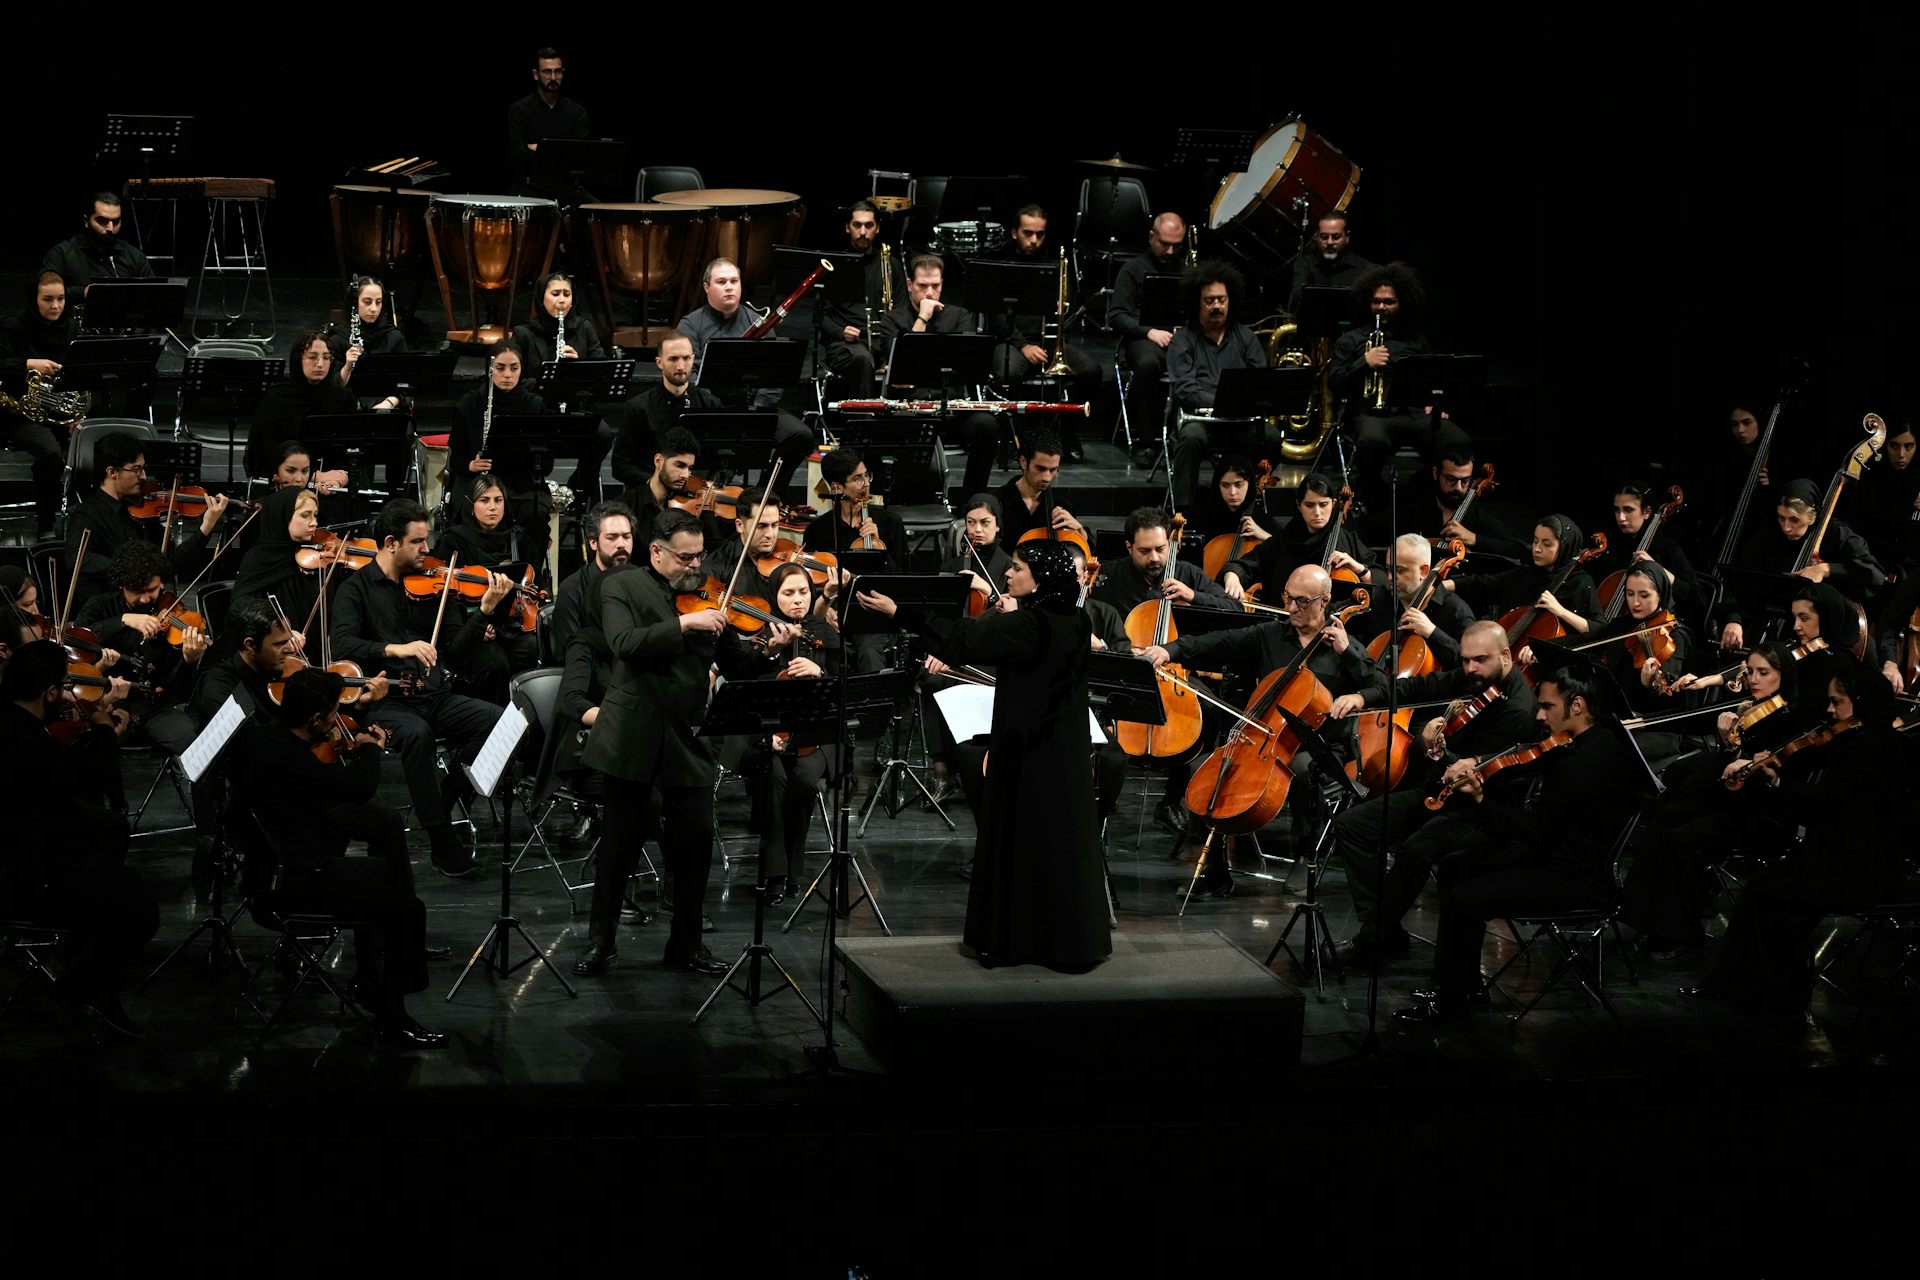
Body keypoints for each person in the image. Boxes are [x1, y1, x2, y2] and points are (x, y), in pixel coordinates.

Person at [858, 541, 1111, 970]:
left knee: (1022, 841)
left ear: (1041, 577)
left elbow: (963, 638)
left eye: (1017, 568)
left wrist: (898, 612)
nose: (1008, 575)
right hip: (1064, 752)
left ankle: (1017, 941)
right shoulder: (1075, 616)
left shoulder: (1030, 625)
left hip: (1028, 751)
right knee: (1060, 845)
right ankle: (1066, 942)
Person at [1397, 663, 1653, 1025]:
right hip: (1555, 854)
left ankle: (1453, 1002)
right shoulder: (1582, 742)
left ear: (1577, 706)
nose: (1538, 715)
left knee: (1469, 897)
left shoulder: (1586, 763)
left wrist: (1482, 800)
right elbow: (1528, 766)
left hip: (1576, 875)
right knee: (1455, 865)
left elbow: (1534, 830)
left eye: (1547, 707)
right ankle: (1459, 983)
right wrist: (1482, 764)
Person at [227, 667, 444, 1047]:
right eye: (331, 714)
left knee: (379, 875)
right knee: (409, 909)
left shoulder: (260, 739)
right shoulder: (298, 764)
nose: (333, 722)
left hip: (263, 873)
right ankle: (392, 1014)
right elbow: (358, 788)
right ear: (315, 719)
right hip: (297, 883)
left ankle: (368, 978)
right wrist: (370, 749)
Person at [1141, 563, 1387, 895]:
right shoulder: (1271, 634)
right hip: (1264, 738)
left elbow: (1381, 687)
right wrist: (1170, 651)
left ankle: (1305, 854)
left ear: (1324, 601)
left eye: (1301, 601)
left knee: (1301, 768)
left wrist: (1351, 668)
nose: (1291, 607)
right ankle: (1215, 869)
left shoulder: (1344, 646)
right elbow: (1219, 643)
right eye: (1288, 598)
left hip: (1324, 746)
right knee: (1210, 768)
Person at [1685, 659, 1909, 1018]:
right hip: (1837, 857)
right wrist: (1773, 773)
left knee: (1775, 901)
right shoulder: (1856, 740)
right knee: (1763, 891)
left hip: (1864, 869)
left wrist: (1777, 781)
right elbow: (1815, 803)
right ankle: (1748, 988)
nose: (1829, 709)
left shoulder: (1871, 747)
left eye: (1837, 701)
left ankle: (1775, 997)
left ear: (1861, 700)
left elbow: (1827, 801)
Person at [1326, 618, 1540, 965]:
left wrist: (1435, 746)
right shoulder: (1475, 680)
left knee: (1415, 850)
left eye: (1479, 660)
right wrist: (1363, 696)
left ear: (1505, 656)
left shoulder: (1517, 710)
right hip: (1440, 794)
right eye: (1466, 659)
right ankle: (1386, 930)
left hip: (1481, 811)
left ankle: (1373, 939)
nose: (1470, 668)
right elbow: (1416, 688)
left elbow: (1480, 777)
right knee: (1352, 826)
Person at [579, 511, 734, 976]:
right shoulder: (621, 587)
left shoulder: (705, 595)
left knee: (696, 843)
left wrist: (767, 648)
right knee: (619, 847)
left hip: (686, 737)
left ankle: (685, 945)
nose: (694, 565)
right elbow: (624, 642)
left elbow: (734, 656)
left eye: (699, 555)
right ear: (657, 552)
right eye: (685, 557)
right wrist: (686, 626)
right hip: (634, 735)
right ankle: (600, 943)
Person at [328, 499, 516, 877]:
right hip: (384, 699)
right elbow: (342, 644)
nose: (427, 550)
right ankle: (441, 839)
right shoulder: (355, 589)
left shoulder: (434, 584)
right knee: (417, 735)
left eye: (426, 540)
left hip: (433, 694)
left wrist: (484, 612)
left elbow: (457, 652)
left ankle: (444, 798)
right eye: (417, 542)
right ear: (391, 543)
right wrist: (394, 648)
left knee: (504, 724)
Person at [0, 640, 155, 1041]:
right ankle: (87, 985)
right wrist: (104, 732)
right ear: (49, 692)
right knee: (135, 899)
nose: (70, 694)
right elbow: (69, 788)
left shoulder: (11, 722)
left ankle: (90, 947)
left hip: (26, 846)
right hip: (25, 871)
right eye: (64, 687)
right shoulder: (29, 743)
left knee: (107, 831)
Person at [1621, 640, 1804, 962]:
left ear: (1783, 676)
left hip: (1760, 813)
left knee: (1681, 835)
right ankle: (1648, 919)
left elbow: (1751, 782)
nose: (1755, 680)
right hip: (1730, 800)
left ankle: (1682, 932)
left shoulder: (1789, 720)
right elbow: (1702, 735)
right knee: (1664, 820)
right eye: (1750, 672)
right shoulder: (1749, 707)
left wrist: (1730, 748)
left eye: (1765, 673)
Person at [720, 561, 841, 903]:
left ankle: (794, 870)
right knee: (773, 777)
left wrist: (820, 672)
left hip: (816, 738)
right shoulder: (760, 636)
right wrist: (765, 734)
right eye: (788, 593)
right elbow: (744, 693)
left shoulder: (825, 633)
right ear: (774, 597)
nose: (798, 600)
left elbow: (847, 691)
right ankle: (775, 873)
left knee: (803, 780)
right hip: (763, 736)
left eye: (803, 592)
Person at [1328, 263, 1473, 509]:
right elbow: (1335, 383)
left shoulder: (1416, 340)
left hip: (1414, 413)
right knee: (1372, 441)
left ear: (1401, 303)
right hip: (1372, 414)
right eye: (1377, 301)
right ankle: (1372, 495)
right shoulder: (1351, 339)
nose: (1382, 307)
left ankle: (1429, 493)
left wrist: (1433, 402)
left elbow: (1434, 378)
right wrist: (1364, 362)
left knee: (1456, 438)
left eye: (1389, 302)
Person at [675, 258, 816, 484]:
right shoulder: (690, 325)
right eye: (721, 282)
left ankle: (766, 493)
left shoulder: (758, 322)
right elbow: (689, 376)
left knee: (801, 436)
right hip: (711, 410)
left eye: (734, 281)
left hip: (755, 407)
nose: (729, 286)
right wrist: (718, 409)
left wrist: (756, 409)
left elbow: (775, 376)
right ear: (706, 287)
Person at [875, 253, 1002, 496]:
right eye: (922, 286)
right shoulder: (892, 320)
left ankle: (971, 497)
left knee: (987, 426)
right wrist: (922, 318)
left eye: (936, 285)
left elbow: (967, 367)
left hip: (952, 406)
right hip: (910, 409)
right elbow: (902, 368)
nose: (930, 293)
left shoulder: (960, 316)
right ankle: (913, 499)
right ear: (910, 285)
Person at [1718, 478, 1884, 652]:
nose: (1786, 528)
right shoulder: (1768, 532)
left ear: (1812, 516)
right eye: (1781, 518)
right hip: (1764, 622)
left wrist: (1826, 569)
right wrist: (1734, 619)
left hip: (1822, 636)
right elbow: (1742, 580)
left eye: (1794, 520)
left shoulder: (1837, 533)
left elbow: (1874, 573)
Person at [66, 430, 228, 602]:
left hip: (152, 608)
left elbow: (170, 564)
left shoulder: (144, 513)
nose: (143, 476)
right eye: (136, 469)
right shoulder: (86, 514)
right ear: (112, 472)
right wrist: (132, 570)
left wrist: (207, 526)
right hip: (115, 611)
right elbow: (76, 558)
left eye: (143, 468)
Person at [1167, 260, 1269, 508]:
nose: (1216, 306)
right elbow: (1184, 389)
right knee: (1190, 439)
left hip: (1238, 421)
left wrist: (1242, 403)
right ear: (1197, 303)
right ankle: (1182, 511)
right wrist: (1223, 402)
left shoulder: (1245, 337)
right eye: (1209, 300)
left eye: (1221, 300)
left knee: (1272, 438)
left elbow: (1261, 380)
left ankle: (1253, 504)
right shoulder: (1183, 340)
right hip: (1200, 421)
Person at [432, 475, 543, 699]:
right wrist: (477, 623)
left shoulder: (520, 541)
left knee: (533, 648)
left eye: (498, 500)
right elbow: (446, 598)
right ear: (471, 506)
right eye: (484, 500)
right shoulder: (453, 542)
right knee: (495, 664)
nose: (492, 507)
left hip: (512, 624)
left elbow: (534, 587)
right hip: (470, 626)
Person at [446, 341, 552, 570]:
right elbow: (456, 460)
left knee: (537, 513)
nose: (507, 375)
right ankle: (472, 575)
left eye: (514, 368)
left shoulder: (534, 406)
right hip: (479, 481)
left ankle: (527, 577)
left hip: (519, 483)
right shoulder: (470, 404)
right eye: (500, 368)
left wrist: (534, 459)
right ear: (489, 369)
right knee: (466, 506)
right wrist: (470, 466)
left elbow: (547, 463)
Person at [1446, 513, 1602, 645]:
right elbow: (1482, 584)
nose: (1537, 548)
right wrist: (1441, 584)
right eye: (1535, 541)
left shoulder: (1580, 583)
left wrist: (1560, 611)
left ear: (1565, 548)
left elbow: (1599, 630)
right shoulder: (1526, 574)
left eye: (1547, 544)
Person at [0, 272, 76, 535]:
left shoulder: (70, 328)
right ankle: (47, 523)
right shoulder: (13, 327)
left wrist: (77, 416)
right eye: (47, 300)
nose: (56, 306)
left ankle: (88, 520)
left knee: (99, 444)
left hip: (58, 409)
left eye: (61, 299)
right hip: (20, 413)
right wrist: (28, 364)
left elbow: (81, 375)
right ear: (34, 300)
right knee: (50, 453)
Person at [1222, 472, 1370, 602]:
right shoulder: (1284, 539)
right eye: (1310, 505)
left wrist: (1360, 569)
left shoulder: (1348, 540)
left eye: (1323, 504)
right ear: (1299, 506)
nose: (1317, 512)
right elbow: (1245, 565)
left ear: (1333, 503)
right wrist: (1232, 576)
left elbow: (1378, 582)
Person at [607, 331, 723, 493]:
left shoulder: (711, 404)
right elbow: (621, 465)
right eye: (673, 359)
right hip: (652, 495)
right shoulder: (639, 407)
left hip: (698, 495)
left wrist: (712, 483)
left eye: (686, 358)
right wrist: (653, 484)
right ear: (659, 362)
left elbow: (723, 459)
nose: (681, 366)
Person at [1107, 212, 1187, 446]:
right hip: (1142, 339)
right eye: (1165, 244)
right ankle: (1146, 439)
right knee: (1147, 365)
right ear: (1151, 237)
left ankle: (1181, 436)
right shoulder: (1132, 269)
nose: (1171, 252)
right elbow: (1117, 315)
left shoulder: (1187, 270)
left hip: (1179, 340)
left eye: (1177, 246)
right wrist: (1148, 331)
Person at [1346, 533, 1476, 670]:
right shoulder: (1380, 599)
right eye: (1388, 569)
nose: (1390, 577)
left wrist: (1433, 633)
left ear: (1424, 571)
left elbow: (1470, 665)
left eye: (1399, 570)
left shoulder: (1455, 610)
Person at [819, 200, 906, 399]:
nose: (863, 232)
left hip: (882, 341)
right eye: (857, 225)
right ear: (847, 228)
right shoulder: (834, 266)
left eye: (869, 225)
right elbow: (820, 316)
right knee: (862, 358)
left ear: (877, 228)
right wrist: (841, 332)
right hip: (847, 345)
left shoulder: (891, 265)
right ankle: (863, 421)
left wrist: (890, 349)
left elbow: (902, 309)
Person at [245, 332, 358, 481]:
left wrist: (341, 478)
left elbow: (350, 447)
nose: (320, 364)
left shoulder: (342, 396)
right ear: (298, 359)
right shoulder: (277, 397)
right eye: (312, 357)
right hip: (288, 484)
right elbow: (271, 454)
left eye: (326, 357)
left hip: (333, 482)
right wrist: (315, 477)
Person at [1587, 482, 1701, 620]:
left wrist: (1659, 570)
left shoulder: (1667, 549)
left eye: (1628, 510)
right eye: (1617, 510)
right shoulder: (1611, 547)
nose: (1621, 517)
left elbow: (1697, 598)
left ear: (1646, 512)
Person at [508, 46, 591, 203]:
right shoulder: (519, 109)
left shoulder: (577, 111)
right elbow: (518, 154)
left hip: (566, 188)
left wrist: (539, 147)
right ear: (535, 74)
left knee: (597, 209)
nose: (553, 77)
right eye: (547, 72)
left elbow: (582, 154)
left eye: (557, 71)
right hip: (529, 188)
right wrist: (563, 150)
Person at [552, 500, 633, 657]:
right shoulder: (572, 589)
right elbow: (569, 651)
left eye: (626, 537)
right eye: (612, 537)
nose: (621, 544)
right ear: (594, 543)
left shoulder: (642, 581)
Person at [41, 192, 155, 296]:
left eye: (115, 222)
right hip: (76, 317)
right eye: (102, 221)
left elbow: (153, 295)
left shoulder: (135, 257)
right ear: (86, 221)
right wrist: (83, 292)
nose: (110, 228)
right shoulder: (62, 254)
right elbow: (41, 292)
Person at [991, 427, 1085, 552]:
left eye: (1053, 470)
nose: (1047, 478)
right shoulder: (997, 502)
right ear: (1024, 462)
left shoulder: (1062, 505)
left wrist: (1080, 533)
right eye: (1041, 469)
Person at [1853, 416, 1919, 576]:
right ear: (1884, 445)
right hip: (1870, 559)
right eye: (1894, 446)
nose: (1901, 454)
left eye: (1908, 446)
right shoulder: (1870, 478)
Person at [512, 271, 607, 368]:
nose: (562, 300)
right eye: (555, 294)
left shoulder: (584, 327)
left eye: (566, 295)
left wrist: (578, 367)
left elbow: (601, 372)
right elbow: (514, 379)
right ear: (541, 299)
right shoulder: (523, 333)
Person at [1287, 211, 1374, 313]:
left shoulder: (1365, 268)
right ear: (1317, 237)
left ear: (1347, 237)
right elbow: (1295, 303)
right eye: (1324, 237)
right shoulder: (1305, 264)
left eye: (1336, 237)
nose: (1329, 242)